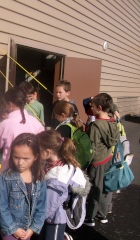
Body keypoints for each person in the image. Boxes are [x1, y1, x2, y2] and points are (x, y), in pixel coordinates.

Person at [37, 130, 90, 240]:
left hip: (55, 219)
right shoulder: (59, 164)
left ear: (47, 152)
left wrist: (33, 223)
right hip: (51, 215)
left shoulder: (57, 179)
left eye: (37, 150)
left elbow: (49, 206)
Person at [0, 133, 47, 240]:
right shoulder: (5, 178)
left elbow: (41, 207)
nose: (20, 162)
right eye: (16, 157)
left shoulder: (39, 178)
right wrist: (13, 229)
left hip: (27, 230)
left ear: (35, 157)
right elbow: (1, 206)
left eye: (26, 158)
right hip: (9, 229)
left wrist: (32, 229)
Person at [84, 93, 119, 227]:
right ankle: (102, 214)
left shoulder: (96, 125)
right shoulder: (113, 121)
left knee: (94, 189)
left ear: (99, 107)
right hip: (108, 159)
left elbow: (91, 147)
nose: (90, 108)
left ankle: (90, 217)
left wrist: (86, 163)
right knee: (104, 189)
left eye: (92, 106)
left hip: (97, 162)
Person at [0, 87, 45, 174]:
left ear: (10, 104)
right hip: (31, 170)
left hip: (10, 171)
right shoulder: (36, 122)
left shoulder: (5, 124)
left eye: (5, 104)